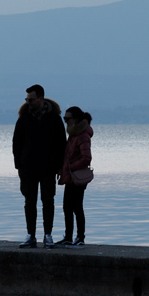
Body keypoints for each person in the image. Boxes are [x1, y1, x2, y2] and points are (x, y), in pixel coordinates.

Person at [11, 83, 66, 248]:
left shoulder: (54, 119)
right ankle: (31, 235)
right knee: (29, 201)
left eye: (31, 99)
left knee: (48, 201)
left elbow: (61, 144)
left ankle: (47, 235)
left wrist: (59, 166)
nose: (28, 102)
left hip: (48, 167)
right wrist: (18, 166)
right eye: (27, 99)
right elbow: (16, 143)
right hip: (27, 167)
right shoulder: (24, 119)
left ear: (41, 98)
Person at [57, 106, 94, 247]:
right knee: (67, 207)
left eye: (67, 118)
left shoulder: (82, 135)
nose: (65, 121)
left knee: (77, 206)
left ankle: (80, 237)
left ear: (76, 119)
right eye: (64, 118)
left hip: (77, 177)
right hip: (70, 176)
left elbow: (86, 158)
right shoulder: (73, 135)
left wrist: (70, 167)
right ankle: (68, 237)